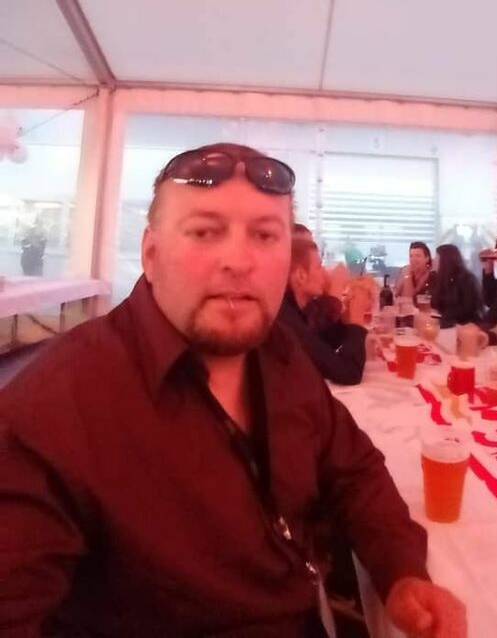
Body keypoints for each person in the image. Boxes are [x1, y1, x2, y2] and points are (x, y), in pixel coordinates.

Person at [0, 142, 466, 637]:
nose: (239, 261)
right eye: (205, 231)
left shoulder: (279, 354)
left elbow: (352, 469)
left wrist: (400, 570)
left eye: (265, 235)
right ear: (151, 255)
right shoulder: (53, 411)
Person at [278, 237, 367, 386]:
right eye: (319, 266)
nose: (325, 273)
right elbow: (349, 373)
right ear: (300, 276)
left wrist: (346, 321)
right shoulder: (285, 320)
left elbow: (323, 344)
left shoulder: (294, 309)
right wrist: (357, 322)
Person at [431, 244, 482, 327]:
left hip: (465, 325)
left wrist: (445, 315)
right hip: (447, 323)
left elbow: (467, 308)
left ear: (445, 261)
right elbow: (435, 302)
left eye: (437, 258)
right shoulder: (440, 278)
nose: (434, 261)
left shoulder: (466, 279)